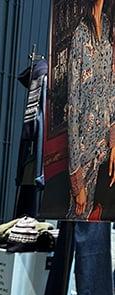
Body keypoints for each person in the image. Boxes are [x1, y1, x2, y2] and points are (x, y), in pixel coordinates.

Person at [67, 0, 115, 218]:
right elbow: (73, 106)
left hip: (105, 151)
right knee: (78, 220)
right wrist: (77, 180)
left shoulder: (108, 30)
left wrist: (114, 143)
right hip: (84, 153)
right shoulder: (80, 34)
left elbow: (112, 91)